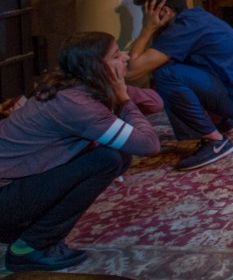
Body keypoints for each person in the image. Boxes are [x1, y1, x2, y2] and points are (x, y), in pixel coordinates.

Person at [0, 32, 161, 272]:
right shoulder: (77, 105)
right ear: (96, 67)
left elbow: (155, 103)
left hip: (11, 190)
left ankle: (23, 232)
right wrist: (125, 100)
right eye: (116, 55)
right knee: (106, 159)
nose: (126, 57)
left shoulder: (74, 88)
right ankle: (31, 247)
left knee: (116, 155)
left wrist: (120, 88)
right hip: (5, 197)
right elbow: (149, 145)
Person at [127, 0, 233, 171]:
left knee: (166, 74)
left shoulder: (181, 29)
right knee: (175, 65)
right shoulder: (195, 16)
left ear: (164, 11)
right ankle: (221, 121)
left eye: (147, 14)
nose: (147, 18)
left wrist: (147, 29)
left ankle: (215, 141)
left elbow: (132, 71)